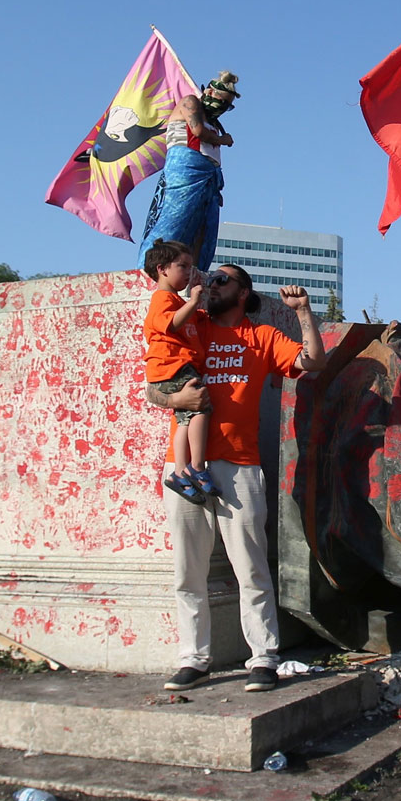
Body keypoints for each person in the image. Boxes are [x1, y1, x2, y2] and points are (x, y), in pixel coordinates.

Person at [146, 267, 326, 691]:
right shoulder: (191, 325)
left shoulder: (262, 336)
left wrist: (303, 313)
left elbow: (314, 361)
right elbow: (153, 387)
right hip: (184, 465)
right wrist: (178, 399)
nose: (212, 285)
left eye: (222, 280)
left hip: (240, 466)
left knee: (251, 567)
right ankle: (194, 658)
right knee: (187, 571)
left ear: (243, 292)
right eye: (211, 279)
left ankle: (263, 657)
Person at [142, 240, 220, 505]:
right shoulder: (163, 299)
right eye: (182, 266)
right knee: (200, 409)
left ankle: (179, 470)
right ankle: (196, 466)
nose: (188, 272)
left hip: (174, 367)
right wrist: (194, 301)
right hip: (172, 366)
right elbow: (172, 324)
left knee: (184, 420)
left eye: (190, 266)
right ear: (162, 269)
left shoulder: (174, 300)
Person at [137, 71, 240, 272]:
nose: (222, 108)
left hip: (210, 177)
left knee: (204, 228)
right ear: (209, 91)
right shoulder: (190, 102)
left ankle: (194, 272)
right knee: (173, 221)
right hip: (185, 169)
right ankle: (149, 270)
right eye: (221, 101)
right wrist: (222, 140)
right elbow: (197, 131)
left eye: (227, 105)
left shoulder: (215, 122)